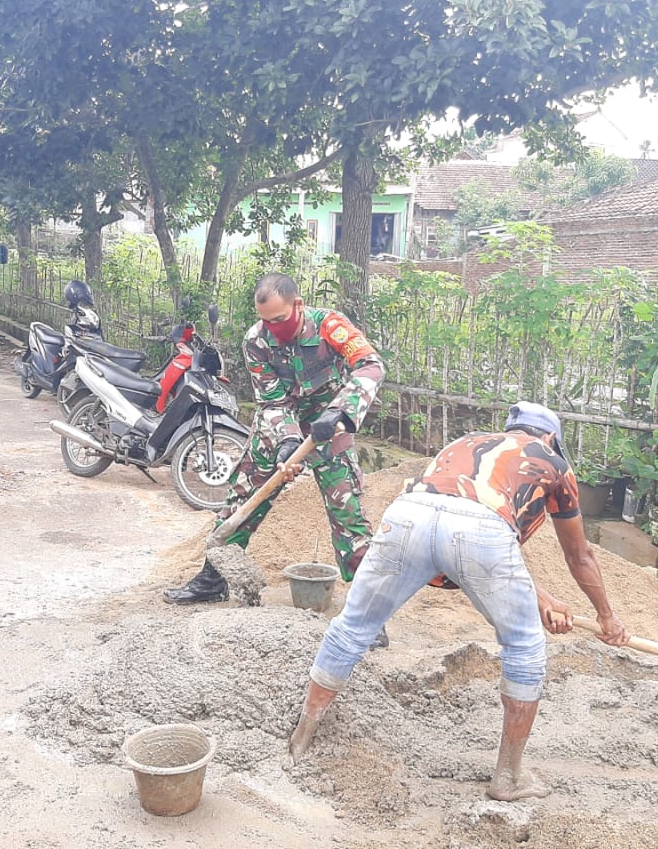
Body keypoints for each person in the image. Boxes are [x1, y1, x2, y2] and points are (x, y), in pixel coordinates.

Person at [286, 402, 630, 801]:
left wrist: (540, 597)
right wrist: (608, 618)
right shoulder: (551, 460)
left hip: (407, 515)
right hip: (480, 532)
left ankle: (302, 737)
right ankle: (510, 777)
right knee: (524, 646)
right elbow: (575, 554)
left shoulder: (466, 443)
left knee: (352, 626)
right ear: (551, 437)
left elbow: (458, 521)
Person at [163, 272, 386, 609]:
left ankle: (366, 608)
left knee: (348, 510)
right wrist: (286, 441)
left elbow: (370, 365)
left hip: (331, 423)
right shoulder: (256, 340)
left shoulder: (330, 326)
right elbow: (272, 400)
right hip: (280, 423)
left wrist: (340, 410)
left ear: (298, 305)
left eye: (280, 319)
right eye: (266, 320)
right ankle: (213, 579)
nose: (274, 328)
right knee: (243, 496)